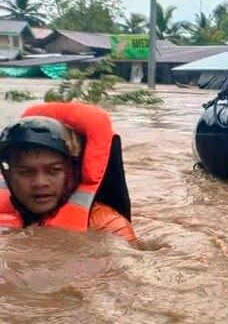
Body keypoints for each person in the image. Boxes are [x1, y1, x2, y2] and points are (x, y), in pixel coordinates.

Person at [0, 102, 137, 246]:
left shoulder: (108, 226)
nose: (40, 182)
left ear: (72, 172)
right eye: (26, 172)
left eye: (54, 170)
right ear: (8, 175)